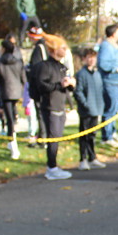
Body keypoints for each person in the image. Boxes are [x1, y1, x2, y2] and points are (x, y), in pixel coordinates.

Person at [35, 34, 75, 180]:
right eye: (62, 48)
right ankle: (51, 167)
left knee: (57, 137)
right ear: (54, 49)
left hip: (60, 105)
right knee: (53, 137)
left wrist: (70, 85)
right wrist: (59, 85)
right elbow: (42, 86)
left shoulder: (62, 67)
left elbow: (66, 87)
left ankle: (54, 165)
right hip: (50, 106)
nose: (65, 50)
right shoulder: (45, 67)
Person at [73, 48, 106, 171]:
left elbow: (100, 90)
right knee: (84, 135)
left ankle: (92, 157)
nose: (91, 60)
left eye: (93, 57)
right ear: (84, 59)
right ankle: (83, 159)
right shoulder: (81, 74)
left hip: (96, 109)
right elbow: (78, 91)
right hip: (86, 110)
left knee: (92, 135)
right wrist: (85, 104)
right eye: (89, 57)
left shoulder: (97, 74)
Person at [0, 38, 26, 159]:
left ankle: (13, 144)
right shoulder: (18, 62)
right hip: (16, 92)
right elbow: (23, 78)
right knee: (12, 115)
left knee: (9, 119)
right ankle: (11, 141)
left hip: (6, 92)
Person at [97, 24, 118, 148]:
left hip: (115, 82)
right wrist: (115, 69)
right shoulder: (106, 46)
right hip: (109, 82)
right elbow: (102, 64)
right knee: (110, 110)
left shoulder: (114, 46)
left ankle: (112, 132)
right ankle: (106, 137)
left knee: (114, 109)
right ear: (114, 33)